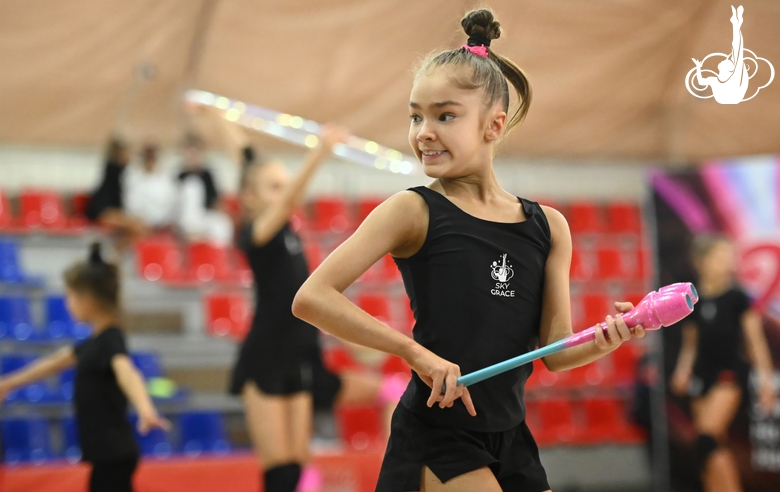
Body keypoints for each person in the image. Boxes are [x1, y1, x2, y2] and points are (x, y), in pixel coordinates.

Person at [292, 8, 646, 492]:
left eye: (445, 115)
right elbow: (311, 297)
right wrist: (413, 353)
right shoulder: (411, 211)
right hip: (438, 433)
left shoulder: (549, 227)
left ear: (493, 126)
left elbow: (556, 352)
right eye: (416, 115)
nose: (423, 132)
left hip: (511, 435)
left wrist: (609, 336)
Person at [228, 125, 350, 492]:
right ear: (249, 197)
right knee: (279, 472)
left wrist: (218, 119)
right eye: (274, 186)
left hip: (299, 353)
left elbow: (248, 158)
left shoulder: (286, 231)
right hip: (265, 356)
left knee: (299, 467)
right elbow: (281, 203)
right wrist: (318, 152)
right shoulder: (255, 234)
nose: (284, 193)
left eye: (284, 184)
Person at [0, 243, 169, 492]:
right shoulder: (92, 344)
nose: (67, 304)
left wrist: (145, 408)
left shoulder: (111, 339)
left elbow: (127, 372)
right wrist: (9, 383)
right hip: (108, 454)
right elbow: (51, 364)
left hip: (113, 453)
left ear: (87, 299)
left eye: (69, 296)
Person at [671, 234, 776, 492]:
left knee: (707, 437)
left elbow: (755, 342)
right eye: (720, 258)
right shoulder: (692, 300)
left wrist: (766, 382)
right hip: (701, 374)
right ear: (701, 261)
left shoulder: (738, 297)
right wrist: (682, 371)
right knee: (707, 445)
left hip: (728, 372)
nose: (726, 264)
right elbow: (690, 345)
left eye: (729, 258)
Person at [86, 138, 148, 249]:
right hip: (102, 212)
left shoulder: (118, 171)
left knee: (140, 227)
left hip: (111, 210)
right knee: (138, 227)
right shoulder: (115, 170)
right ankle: (115, 255)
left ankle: (116, 253)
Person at [177, 133, 233, 246]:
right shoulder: (179, 176)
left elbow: (215, 201)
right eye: (189, 153)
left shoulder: (208, 175)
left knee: (222, 224)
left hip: (204, 217)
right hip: (183, 220)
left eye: (195, 154)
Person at [692, 5, 748, 104]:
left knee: (737, 50)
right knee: (737, 51)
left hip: (731, 97)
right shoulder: (719, 79)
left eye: (726, 61)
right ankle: (736, 23)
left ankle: (736, 23)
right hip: (730, 97)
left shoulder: (731, 78)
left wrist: (698, 67)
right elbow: (737, 49)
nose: (725, 59)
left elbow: (737, 47)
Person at [124, 142, 178, 230]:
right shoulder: (135, 179)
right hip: (141, 224)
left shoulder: (166, 180)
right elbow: (131, 206)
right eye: (148, 159)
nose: (150, 163)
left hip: (163, 224)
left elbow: (172, 203)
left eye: (153, 159)